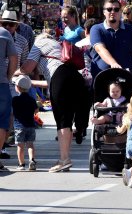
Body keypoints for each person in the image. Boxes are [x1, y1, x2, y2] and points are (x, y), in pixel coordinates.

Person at [16, 32, 90, 172]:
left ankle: (64, 159)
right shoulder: (58, 45)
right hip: (75, 77)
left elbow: (27, 67)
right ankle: (65, 158)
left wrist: (12, 73)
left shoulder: (39, 43)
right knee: (67, 120)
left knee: (62, 121)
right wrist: (31, 83)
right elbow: (51, 82)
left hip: (61, 78)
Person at [90, 0, 132, 79]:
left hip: (126, 79)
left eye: (116, 9)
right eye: (109, 9)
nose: (112, 12)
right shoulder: (96, 29)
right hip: (103, 79)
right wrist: (113, 63)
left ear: (120, 12)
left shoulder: (131, 30)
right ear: (104, 12)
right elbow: (100, 49)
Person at [0, 10, 29, 156]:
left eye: (10, 24)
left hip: (13, 81)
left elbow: (24, 63)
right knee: (5, 115)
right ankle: (3, 145)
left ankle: (4, 143)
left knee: (10, 115)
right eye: (4, 24)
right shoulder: (2, 35)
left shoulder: (22, 41)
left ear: (16, 26)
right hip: (3, 81)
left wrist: (16, 76)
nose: (7, 27)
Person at [12, 75, 38, 171]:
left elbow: (12, 112)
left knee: (20, 146)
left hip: (19, 126)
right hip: (30, 125)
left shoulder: (15, 100)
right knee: (30, 145)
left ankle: (21, 164)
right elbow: (36, 110)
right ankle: (32, 160)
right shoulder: (31, 99)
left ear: (17, 87)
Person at [0, 27, 17, 171]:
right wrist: (9, 76)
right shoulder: (4, 33)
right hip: (1, 83)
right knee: (1, 122)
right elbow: (14, 58)